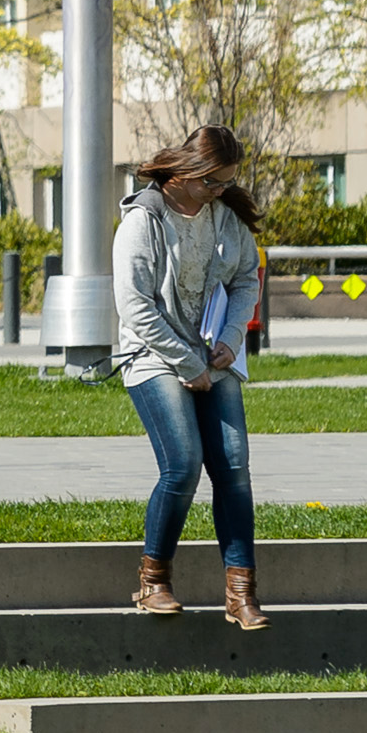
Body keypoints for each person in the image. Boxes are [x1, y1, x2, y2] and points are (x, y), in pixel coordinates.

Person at [114, 124, 266, 629]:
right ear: (184, 174)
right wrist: (188, 363)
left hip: (212, 355)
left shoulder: (225, 218)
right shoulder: (142, 221)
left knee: (234, 466)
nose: (221, 192)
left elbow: (247, 277)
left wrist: (230, 337)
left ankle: (240, 594)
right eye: (213, 183)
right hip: (154, 356)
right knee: (182, 463)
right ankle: (153, 581)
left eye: (226, 183)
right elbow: (135, 307)